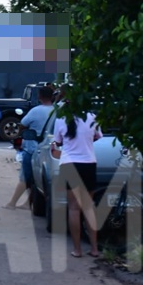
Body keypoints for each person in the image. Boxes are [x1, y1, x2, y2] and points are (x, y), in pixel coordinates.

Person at [51, 106, 103, 258]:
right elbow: (98, 136)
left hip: (69, 164)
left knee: (74, 209)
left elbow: (57, 141)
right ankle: (94, 248)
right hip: (88, 163)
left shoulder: (61, 118)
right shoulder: (92, 116)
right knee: (88, 208)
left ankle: (77, 249)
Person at [5, 85, 55, 209]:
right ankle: (28, 202)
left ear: (39, 96)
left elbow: (22, 124)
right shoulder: (56, 111)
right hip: (49, 149)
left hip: (32, 149)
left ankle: (12, 203)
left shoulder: (36, 111)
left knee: (25, 178)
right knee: (37, 179)